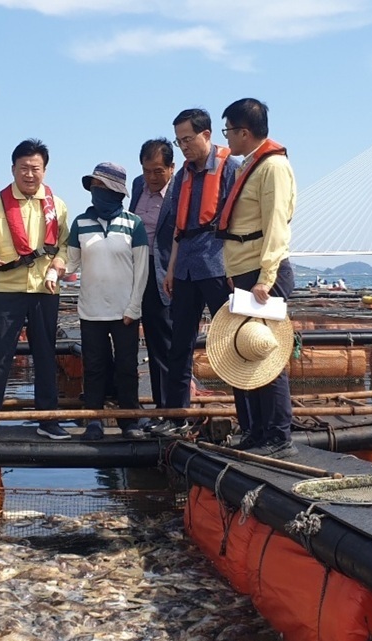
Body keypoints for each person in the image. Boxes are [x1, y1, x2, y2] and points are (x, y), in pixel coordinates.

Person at [0, 139, 70, 441]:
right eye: (23, 168)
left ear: (45, 171)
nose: (29, 174)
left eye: (35, 168)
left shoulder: (57, 206)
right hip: (7, 290)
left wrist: (58, 264)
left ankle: (48, 420)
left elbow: (65, 244)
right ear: (12, 169)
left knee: (46, 355)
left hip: (45, 290)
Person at [151, 109, 240, 438]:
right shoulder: (182, 177)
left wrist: (234, 268)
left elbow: (240, 221)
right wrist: (171, 268)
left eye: (187, 139)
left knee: (233, 342)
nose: (183, 146)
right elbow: (177, 227)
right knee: (179, 344)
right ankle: (176, 417)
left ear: (207, 134)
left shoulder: (231, 168)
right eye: (179, 140)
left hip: (218, 265)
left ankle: (247, 416)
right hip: (186, 267)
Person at [218, 97, 298, 458]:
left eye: (228, 131)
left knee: (267, 352)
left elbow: (276, 226)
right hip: (244, 270)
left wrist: (266, 277)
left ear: (244, 131)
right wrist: (233, 272)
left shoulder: (273, 167)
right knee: (246, 351)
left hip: (263, 272)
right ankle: (256, 429)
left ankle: (279, 433)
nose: (227, 139)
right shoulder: (249, 165)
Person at [66, 163, 149, 441]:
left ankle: (130, 420)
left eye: (102, 187)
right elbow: (70, 264)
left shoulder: (133, 224)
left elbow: (142, 270)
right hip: (91, 310)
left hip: (124, 310)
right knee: (94, 366)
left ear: (117, 192)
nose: (96, 192)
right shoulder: (80, 223)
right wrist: (52, 268)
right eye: (94, 186)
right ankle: (94, 419)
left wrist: (134, 307)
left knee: (127, 366)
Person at [129, 139, 176, 427]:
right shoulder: (137, 185)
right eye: (147, 171)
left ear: (172, 167)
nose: (152, 178)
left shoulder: (179, 190)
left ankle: (167, 409)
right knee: (138, 337)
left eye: (158, 171)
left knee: (164, 342)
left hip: (164, 270)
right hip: (135, 267)